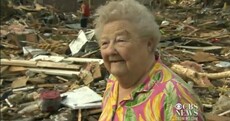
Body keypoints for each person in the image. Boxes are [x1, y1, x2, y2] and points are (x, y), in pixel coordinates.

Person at [94, 0, 205, 121]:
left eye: (121, 40)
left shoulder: (178, 96)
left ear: (149, 44)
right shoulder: (113, 81)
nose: (110, 51)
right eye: (104, 43)